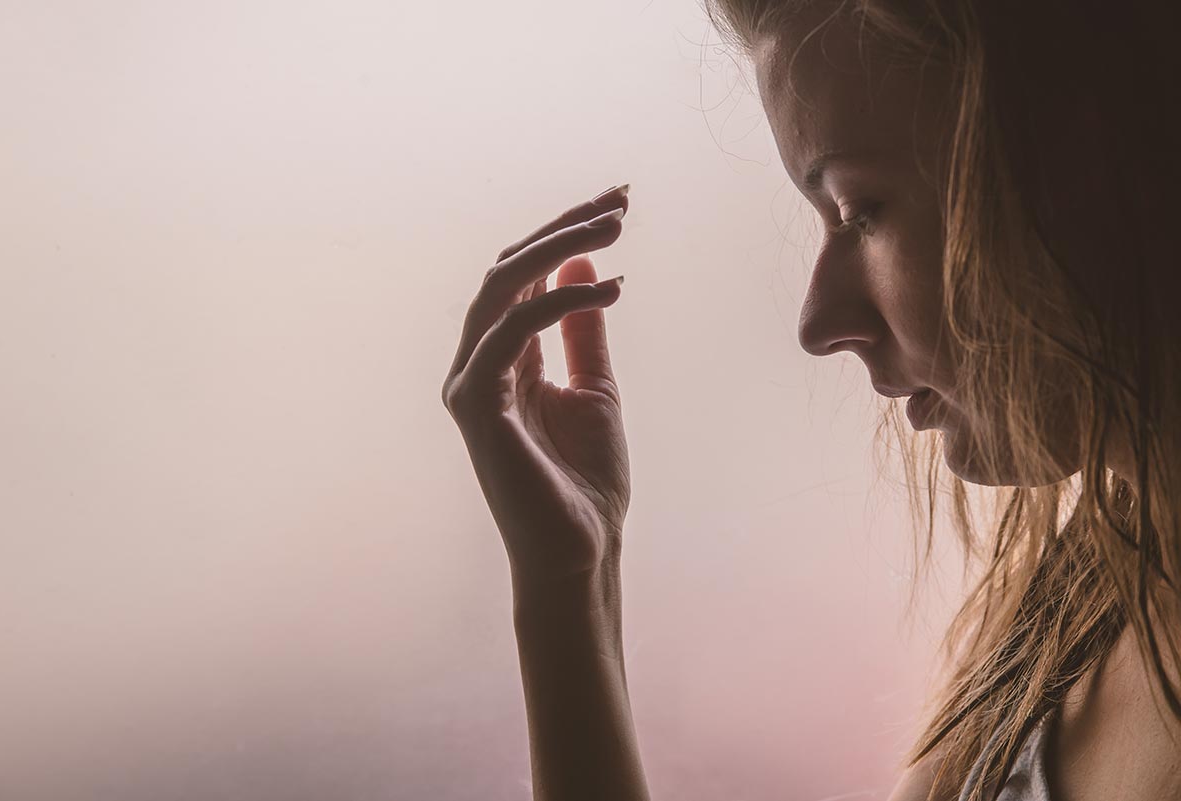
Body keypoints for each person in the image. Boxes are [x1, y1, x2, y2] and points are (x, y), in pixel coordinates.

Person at [440, 1, 1181, 798]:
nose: (820, 323)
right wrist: (570, 583)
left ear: (1092, 150)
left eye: (861, 209)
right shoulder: (1070, 609)